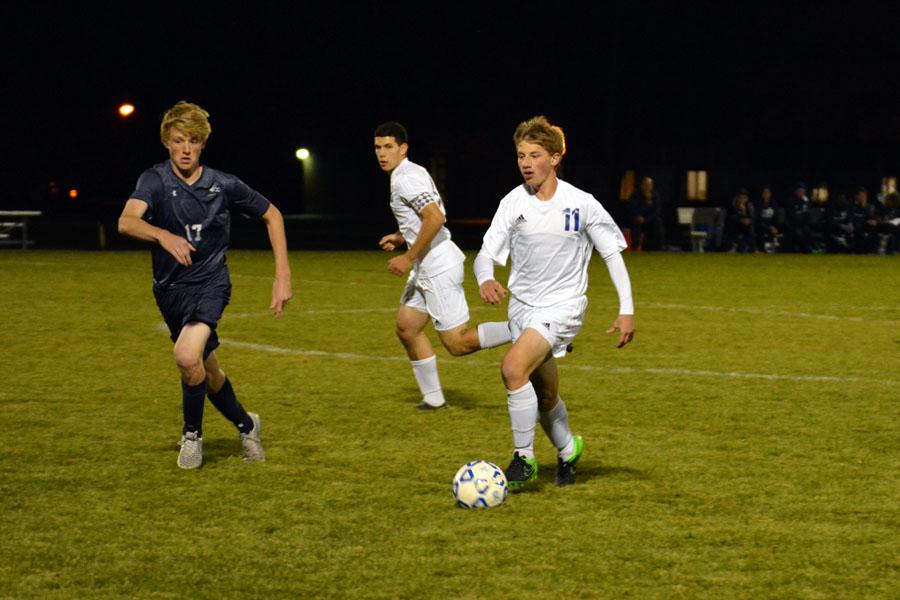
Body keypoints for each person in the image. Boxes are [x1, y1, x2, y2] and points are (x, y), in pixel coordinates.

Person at [118, 101, 292, 469]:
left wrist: (282, 276)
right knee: (204, 369)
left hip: (211, 285)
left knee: (185, 356)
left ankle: (192, 436)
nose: (185, 149)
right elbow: (127, 221)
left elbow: (272, 215)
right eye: (179, 140)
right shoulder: (154, 180)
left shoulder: (223, 184)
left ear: (202, 144)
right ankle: (247, 425)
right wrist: (162, 235)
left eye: (193, 141)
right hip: (169, 291)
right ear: (167, 141)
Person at [474, 116, 635, 488]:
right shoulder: (513, 203)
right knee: (544, 395)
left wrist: (626, 308)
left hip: (563, 307)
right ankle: (568, 449)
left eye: (535, 154)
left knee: (513, 368)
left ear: (556, 158)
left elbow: (611, 254)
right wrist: (485, 277)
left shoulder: (581, 204)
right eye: (520, 155)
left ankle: (523, 459)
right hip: (523, 309)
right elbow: (486, 255)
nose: (526, 163)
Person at [373, 122, 511, 410]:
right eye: (377, 147)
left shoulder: (405, 179)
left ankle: (527, 329)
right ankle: (434, 399)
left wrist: (407, 256)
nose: (382, 153)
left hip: (437, 264)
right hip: (427, 265)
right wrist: (402, 237)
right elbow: (433, 213)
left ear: (403, 148)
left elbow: (435, 218)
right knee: (407, 328)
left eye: (388, 147)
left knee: (457, 343)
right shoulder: (413, 172)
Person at [627, 176, 665, 251]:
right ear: (642, 185)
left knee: (658, 222)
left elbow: (656, 212)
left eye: (650, 185)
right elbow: (632, 208)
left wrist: (649, 202)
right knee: (636, 223)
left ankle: (658, 248)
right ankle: (635, 248)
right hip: (637, 219)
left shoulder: (655, 195)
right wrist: (639, 216)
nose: (648, 187)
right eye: (646, 185)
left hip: (649, 220)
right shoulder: (635, 194)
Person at [721, 188, 757, 252]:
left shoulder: (749, 205)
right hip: (734, 227)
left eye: (744, 198)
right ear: (737, 198)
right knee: (732, 225)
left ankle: (752, 248)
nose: (742, 200)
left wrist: (744, 212)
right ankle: (732, 246)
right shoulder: (732, 204)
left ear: (747, 198)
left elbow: (752, 218)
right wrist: (740, 219)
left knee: (750, 227)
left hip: (745, 228)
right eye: (740, 198)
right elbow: (729, 218)